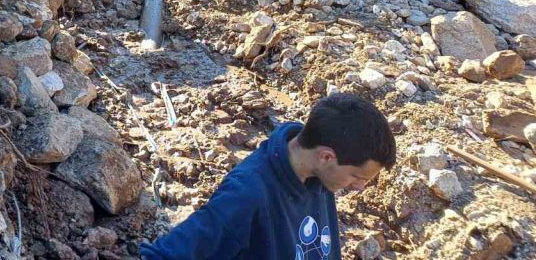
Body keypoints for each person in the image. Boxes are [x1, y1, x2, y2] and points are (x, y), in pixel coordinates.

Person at [140, 93, 396, 260]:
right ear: (326, 156)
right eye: (357, 176)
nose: (360, 187)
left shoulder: (319, 178)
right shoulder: (248, 195)